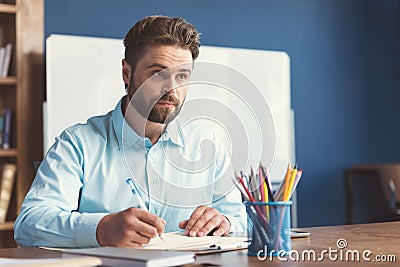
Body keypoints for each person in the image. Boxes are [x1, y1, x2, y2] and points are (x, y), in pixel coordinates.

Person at [14, 15, 246, 248]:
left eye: (182, 76)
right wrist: (100, 229)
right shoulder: (77, 144)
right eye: (158, 74)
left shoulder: (208, 144)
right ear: (127, 73)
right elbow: (29, 224)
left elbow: (244, 222)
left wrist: (226, 222)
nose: (172, 89)